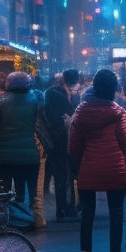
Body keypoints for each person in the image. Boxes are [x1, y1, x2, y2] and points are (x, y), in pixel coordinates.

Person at [68, 69, 126, 252]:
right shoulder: (119, 113)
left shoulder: (80, 112)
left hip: (89, 168)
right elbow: (125, 143)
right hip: (115, 169)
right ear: (114, 89)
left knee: (87, 214)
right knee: (117, 213)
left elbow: (73, 147)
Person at [0, 71, 45, 228]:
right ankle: (29, 218)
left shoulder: (0, 101)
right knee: (27, 190)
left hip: (4, 156)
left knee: (5, 190)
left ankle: (9, 221)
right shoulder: (36, 99)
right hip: (30, 155)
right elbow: (43, 125)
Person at [43, 68, 81, 221]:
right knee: (64, 176)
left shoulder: (53, 93)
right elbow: (66, 116)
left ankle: (65, 207)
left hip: (60, 141)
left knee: (64, 176)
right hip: (61, 141)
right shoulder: (57, 94)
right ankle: (65, 207)